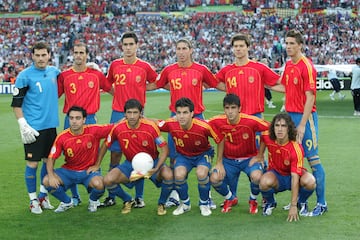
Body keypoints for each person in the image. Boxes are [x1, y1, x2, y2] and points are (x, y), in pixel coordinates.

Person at [147, 38, 221, 209]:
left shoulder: (201, 69)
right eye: (178, 48)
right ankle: (174, 193)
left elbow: (216, 83)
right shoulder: (169, 70)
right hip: (176, 117)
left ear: (191, 50)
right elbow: (157, 84)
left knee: (203, 156)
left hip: (198, 117)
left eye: (184, 48)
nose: (181, 52)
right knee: (175, 156)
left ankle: (207, 196)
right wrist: (135, 87)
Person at [215, 33, 281, 206]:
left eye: (241, 46)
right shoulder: (227, 70)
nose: (238, 49)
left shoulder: (258, 68)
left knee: (259, 159)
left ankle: (266, 198)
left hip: (254, 119)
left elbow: (276, 83)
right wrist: (228, 88)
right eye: (235, 46)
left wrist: (294, 92)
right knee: (232, 155)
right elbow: (215, 82)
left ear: (248, 47)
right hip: (234, 121)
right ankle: (232, 197)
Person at [102, 31, 158, 208]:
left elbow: (155, 82)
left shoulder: (144, 66)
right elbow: (107, 84)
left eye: (131, 44)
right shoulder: (115, 65)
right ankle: (112, 195)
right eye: (125, 45)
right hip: (118, 114)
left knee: (138, 156)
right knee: (115, 155)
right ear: (122, 46)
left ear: (136, 45)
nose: (128, 48)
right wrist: (117, 94)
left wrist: (141, 90)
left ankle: (139, 197)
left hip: (138, 116)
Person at [57, 42, 113, 206]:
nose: (79, 55)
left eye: (82, 52)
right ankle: (75, 196)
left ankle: (95, 190)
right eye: (76, 52)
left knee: (93, 155)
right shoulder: (65, 76)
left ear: (87, 55)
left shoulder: (96, 75)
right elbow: (54, 96)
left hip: (89, 119)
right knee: (70, 156)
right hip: (70, 119)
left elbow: (113, 91)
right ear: (72, 55)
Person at [96, 99, 173, 216]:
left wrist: (157, 167)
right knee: (107, 180)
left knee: (169, 175)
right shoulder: (118, 128)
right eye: (129, 112)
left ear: (141, 113)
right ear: (125, 114)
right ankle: (128, 200)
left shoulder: (151, 127)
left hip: (152, 162)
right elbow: (106, 144)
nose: (132, 116)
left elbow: (165, 149)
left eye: (135, 112)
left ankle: (161, 203)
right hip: (130, 164)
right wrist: (97, 164)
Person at [280, 29, 327, 216]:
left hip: (305, 119)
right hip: (290, 117)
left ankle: (322, 203)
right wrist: (261, 82)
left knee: (313, 160)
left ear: (300, 45)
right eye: (287, 43)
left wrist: (302, 124)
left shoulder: (306, 66)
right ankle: (300, 202)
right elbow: (283, 86)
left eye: (292, 43)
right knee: (295, 160)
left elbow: (310, 97)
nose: (289, 47)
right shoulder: (289, 65)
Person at [11, 41, 60, 214]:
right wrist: (23, 124)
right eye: (37, 55)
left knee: (49, 163)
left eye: (43, 55)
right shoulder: (25, 76)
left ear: (49, 55)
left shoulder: (54, 72)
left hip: (51, 127)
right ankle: (33, 200)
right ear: (32, 56)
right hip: (34, 129)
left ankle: (43, 196)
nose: (40, 58)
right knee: (32, 163)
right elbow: (16, 104)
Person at [156, 97, 224, 216]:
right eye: (179, 113)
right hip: (184, 156)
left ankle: (204, 203)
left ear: (192, 113)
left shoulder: (204, 126)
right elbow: (157, 123)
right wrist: (142, 118)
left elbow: (220, 140)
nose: (181, 116)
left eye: (185, 112)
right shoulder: (171, 124)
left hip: (203, 154)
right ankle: (185, 204)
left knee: (201, 173)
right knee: (178, 174)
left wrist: (219, 162)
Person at [42, 106, 113, 213]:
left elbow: (115, 127)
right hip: (69, 171)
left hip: (88, 171)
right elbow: (51, 159)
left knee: (100, 184)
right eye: (71, 118)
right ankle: (67, 202)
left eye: (78, 118)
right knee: (46, 181)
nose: (74, 121)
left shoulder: (94, 130)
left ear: (84, 119)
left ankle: (93, 201)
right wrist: (51, 176)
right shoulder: (62, 137)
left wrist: (97, 164)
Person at [208, 94, 269, 214]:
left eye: (233, 108)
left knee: (257, 177)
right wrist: (219, 162)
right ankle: (230, 198)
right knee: (214, 178)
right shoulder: (217, 121)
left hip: (249, 159)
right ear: (224, 109)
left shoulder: (250, 121)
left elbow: (268, 128)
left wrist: (260, 154)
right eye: (227, 108)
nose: (230, 112)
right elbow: (201, 126)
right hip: (229, 161)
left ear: (239, 108)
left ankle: (253, 200)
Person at [259, 113, 316, 221]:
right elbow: (263, 138)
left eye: (283, 126)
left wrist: (293, 206)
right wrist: (260, 155)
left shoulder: (296, 148)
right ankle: (270, 203)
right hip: (276, 175)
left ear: (289, 128)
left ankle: (301, 202)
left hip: (292, 176)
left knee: (310, 181)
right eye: (277, 125)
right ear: (273, 127)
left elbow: (295, 177)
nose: (280, 129)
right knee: (263, 182)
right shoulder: (267, 136)